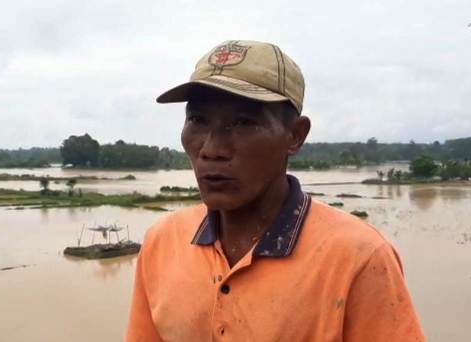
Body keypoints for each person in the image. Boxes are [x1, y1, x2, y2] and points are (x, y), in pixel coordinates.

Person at [126, 40, 424, 341]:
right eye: (197, 120)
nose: (212, 149)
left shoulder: (358, 257)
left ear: (295, 136)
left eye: (243, 123)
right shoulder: (162, 242)